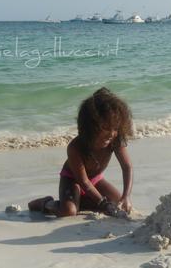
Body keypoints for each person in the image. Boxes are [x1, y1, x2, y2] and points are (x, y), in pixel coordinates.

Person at [28, 87, 134, 217]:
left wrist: (126, 196)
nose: (111, 134)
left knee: (117, 203)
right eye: (106, 128)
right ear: (91, 125)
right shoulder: (76, 147)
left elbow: (127, 167)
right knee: (69, 212)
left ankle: (78, 201)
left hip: (95, 180)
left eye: (115, 128)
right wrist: (103, 203)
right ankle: (45, 203)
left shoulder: (115, 140)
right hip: (73, 180)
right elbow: (84, 182)